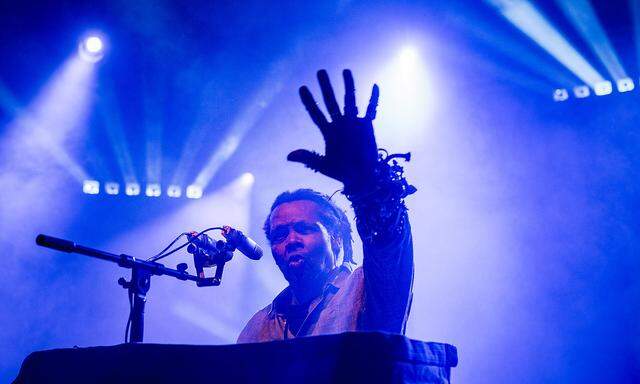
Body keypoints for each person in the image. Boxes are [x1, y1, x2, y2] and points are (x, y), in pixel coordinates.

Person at [237, 69, 415, 342]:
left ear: (335, 237)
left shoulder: (365, 289)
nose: (291, 240)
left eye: (304, 228)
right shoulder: (257, 327)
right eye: (280, 235)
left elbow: (389, 247)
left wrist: (366, 184)